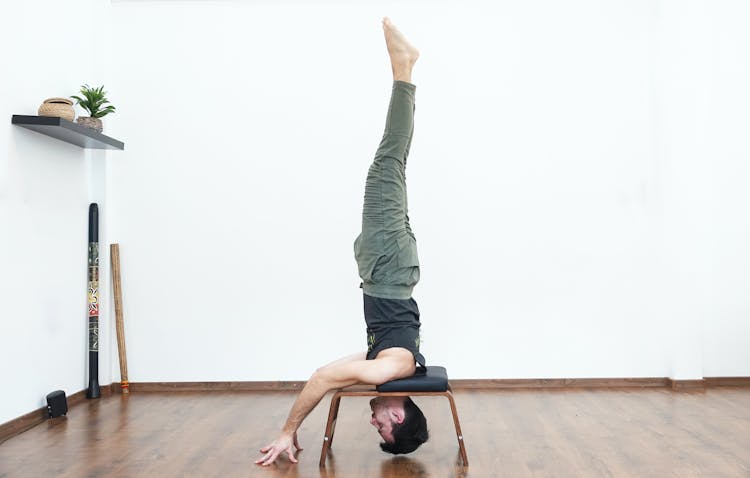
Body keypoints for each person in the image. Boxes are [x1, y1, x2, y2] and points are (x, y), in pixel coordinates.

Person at [255, 17, 428, 467]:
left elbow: (328, 378)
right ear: (397, 412)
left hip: (390, 264)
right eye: (385, 429)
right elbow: (322, 377)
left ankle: (404, 70)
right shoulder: (389, 369)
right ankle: (404, 69)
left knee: (390, 164)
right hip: (388, 262)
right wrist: (287, 431)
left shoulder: (389, 366)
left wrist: (322, 391)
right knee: (389, 159)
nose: (375, 425)